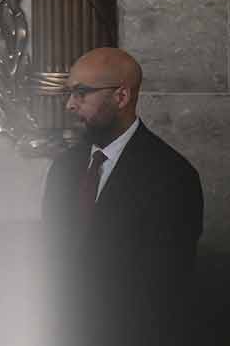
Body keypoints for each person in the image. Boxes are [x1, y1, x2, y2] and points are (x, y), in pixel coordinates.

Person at [40, 45, 202, 319]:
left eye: (81, 93)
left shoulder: (173, 177)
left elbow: (161, 288)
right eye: (69, 94)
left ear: (122, 96)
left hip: (128, 345)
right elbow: (50, 254)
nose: (69, 104)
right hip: (56, 337)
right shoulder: (64, 166)